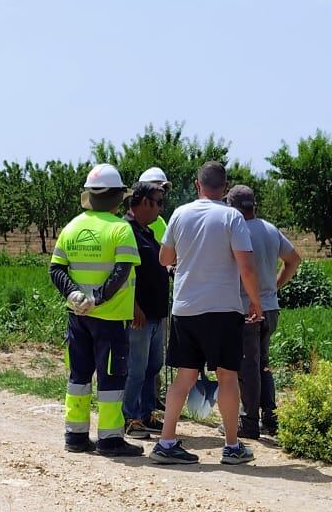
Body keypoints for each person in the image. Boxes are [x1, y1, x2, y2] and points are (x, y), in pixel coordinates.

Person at [152, 160, 263, 466]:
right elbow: (246, 266)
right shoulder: (232, 217)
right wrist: (255, 302)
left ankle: (166, 441)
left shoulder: (179, 213)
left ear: (197, 185)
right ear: (225, 189)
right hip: (222, 309)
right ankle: (231, 446)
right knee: (227, 376)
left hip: (185, 308)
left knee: (185, 376)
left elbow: (165, 258)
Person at [48, 164, 144, 458]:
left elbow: (56, 269)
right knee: (112, 378)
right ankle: (110, 439)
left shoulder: (72, 227)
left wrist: (75, 294)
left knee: (78, 376)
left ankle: (75, 436)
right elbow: (121, 272)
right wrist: (97, 298)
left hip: (77, 317)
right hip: (110, 319)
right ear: (118, 198)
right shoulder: (120, 229)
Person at [225, 184, 300, 440]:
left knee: (247, 367)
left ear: (232, 206)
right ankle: (270, 417)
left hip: (247, 309)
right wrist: (275, 286)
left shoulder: (237, 230)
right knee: (262, 365)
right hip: (271, 308)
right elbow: (294, 260)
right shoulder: (270, 229)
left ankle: (249, 423)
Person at [121, 174, 171, 436]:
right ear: (141, 202)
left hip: (155, 315)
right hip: (139, 314)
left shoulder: (147, 232)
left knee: (152, 367)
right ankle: (130, 418)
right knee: (135, 370)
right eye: (158, 202)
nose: (161, 207)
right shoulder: (125, 230)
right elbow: (122, 274)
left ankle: (146, 413)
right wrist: (133, 306)